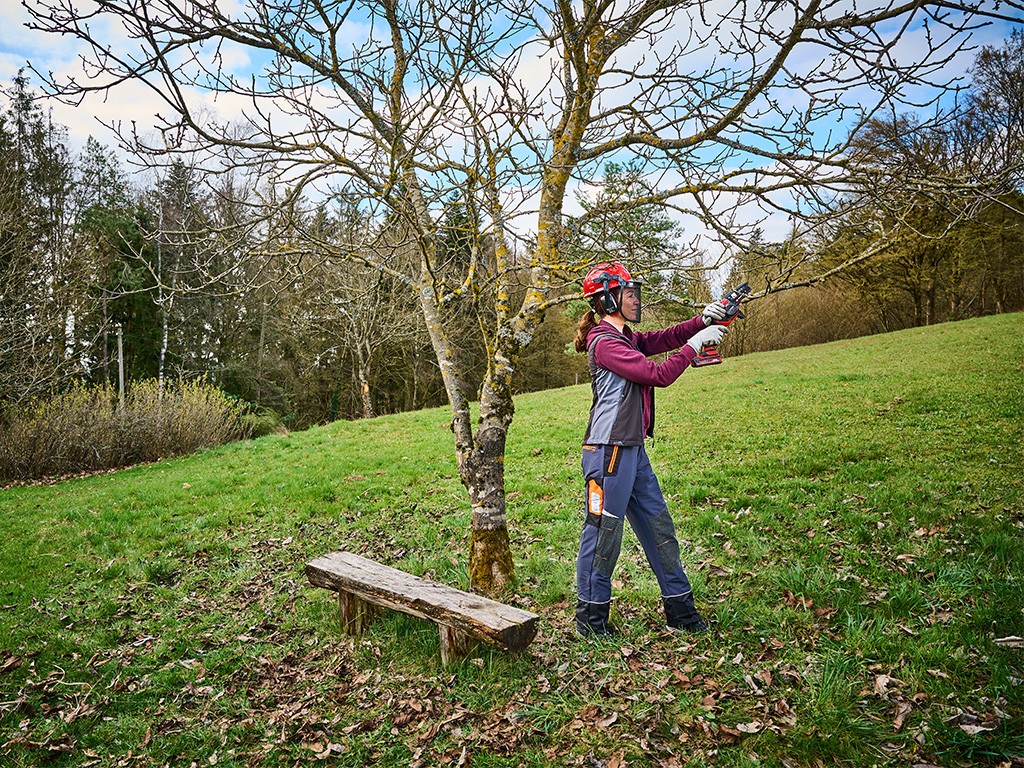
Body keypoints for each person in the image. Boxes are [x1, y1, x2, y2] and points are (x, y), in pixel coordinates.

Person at [573, 261, 729, 637]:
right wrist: (694, 347)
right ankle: (590, 621)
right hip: (608, 454)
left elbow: (662, 338)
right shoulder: (606, 342)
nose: (635, 300)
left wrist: (701, 321)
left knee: (659, 526)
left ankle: (681, 612)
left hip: (632, 450)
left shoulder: (626, 337)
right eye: (628, 293)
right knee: (603, 532)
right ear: (609, 299)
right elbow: (657, 375)